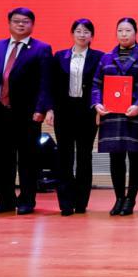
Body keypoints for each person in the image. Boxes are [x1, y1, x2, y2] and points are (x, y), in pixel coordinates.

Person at [0, 7, 53, 216]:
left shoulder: (42, 49)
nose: (20, 24)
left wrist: (41, 109)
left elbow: (45, 83)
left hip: (27, 114)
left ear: (32, 25)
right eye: (16, 21)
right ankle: (4, 200)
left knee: (27, 160)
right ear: (9, 23)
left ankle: (27, 200)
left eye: (25, 21)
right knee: (0, 159)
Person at [91, 17, 138, 216]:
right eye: (120, 30)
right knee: (116, 157)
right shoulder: (106, 58)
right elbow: (96, 84)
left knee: (136, 157)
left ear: (136, 33)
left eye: (128, 30)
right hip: (112, 115)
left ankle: (131, 199)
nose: (124, 34)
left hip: (135, 114)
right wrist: (97, 103)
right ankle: (119, 198)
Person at [46, 18, 103, 216]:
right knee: (64, 156)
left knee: (84, 156)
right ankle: (65, 203)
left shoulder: (99, 57)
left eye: (86, 31)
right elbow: (51, 85)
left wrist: (99, 111)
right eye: (78, 31)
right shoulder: (59, 56)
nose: (82, 35)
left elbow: (102, 85)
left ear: (92, 36)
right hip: (64, 111)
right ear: (72, 34)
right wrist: (50, 109)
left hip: (88, 112)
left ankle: (81, 202)